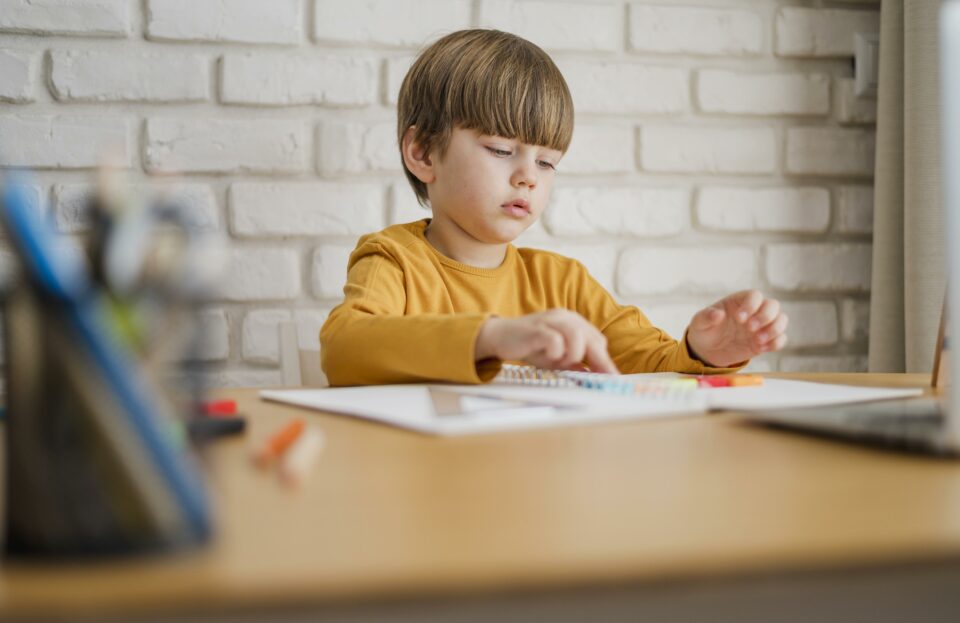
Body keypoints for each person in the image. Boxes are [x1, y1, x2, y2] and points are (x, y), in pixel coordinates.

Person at [320, 29, 788, 386]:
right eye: (501, 150)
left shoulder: (562, 282)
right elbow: (343, 348)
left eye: (547, 162)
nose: (528, 175)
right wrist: (492, 337)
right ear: (423, 152)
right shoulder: (394, 259)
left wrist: (704, 352)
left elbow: (650, 364)